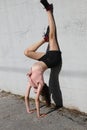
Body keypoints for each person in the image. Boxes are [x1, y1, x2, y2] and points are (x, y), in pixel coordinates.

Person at [24, 0, 61, 118]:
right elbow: (36, 100)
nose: (36, 92)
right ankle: (48, 9)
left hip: (44, 59)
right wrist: (39, 115)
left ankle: (43, 39)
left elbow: (26, 97)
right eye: (38, 92)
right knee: (52, 36)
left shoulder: (30, 81)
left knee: (27, 52)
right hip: (53, 59)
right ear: (41, 90)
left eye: (36, 92)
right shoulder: (40, 83)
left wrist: (29, 110)